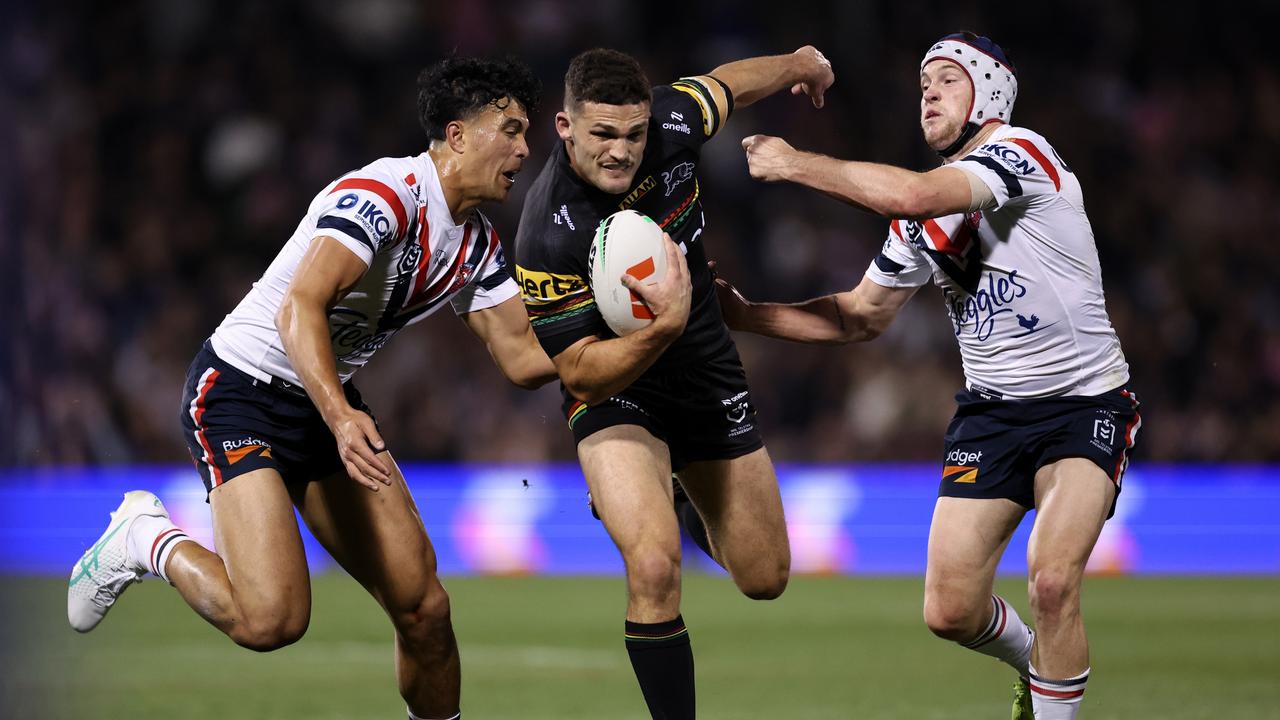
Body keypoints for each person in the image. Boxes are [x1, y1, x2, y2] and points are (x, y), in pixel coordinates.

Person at [67, 56, 553, 720]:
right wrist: (341, 415)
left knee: (425, 608)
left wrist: (639, 331)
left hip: (324, 402)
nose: (525, 149)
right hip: (240, 388)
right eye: (511, 129)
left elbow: (524, 357)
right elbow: (301, 309)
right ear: (458, 135)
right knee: (271, 621)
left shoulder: (474, 245)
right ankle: (146, 539)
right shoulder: (385, 194)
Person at [726, 32, 1141, 720]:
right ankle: (1037, 663)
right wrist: (745, 315)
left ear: (992, 92)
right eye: (923, 82)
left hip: (1083, 403)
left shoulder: (1022, 151)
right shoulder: (919, 223)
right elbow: (859, 317)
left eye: (947, 79)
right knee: (949, 611)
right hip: (991, 415)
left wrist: (795, 163)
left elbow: (916, 193)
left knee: (1052, 579)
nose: (929, 91)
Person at [513, 47, 834, 719]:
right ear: (566, 128)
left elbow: (727, 85)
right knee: (654, 568)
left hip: (705, 368)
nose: (620, 152)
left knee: (765, 576)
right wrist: (658, 331)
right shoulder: (545, 232)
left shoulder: (674, 122)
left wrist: (799, 62)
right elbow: (575, 370)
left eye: (632, 134)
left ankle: (683, 499)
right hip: (615, 388)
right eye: (602, 135)